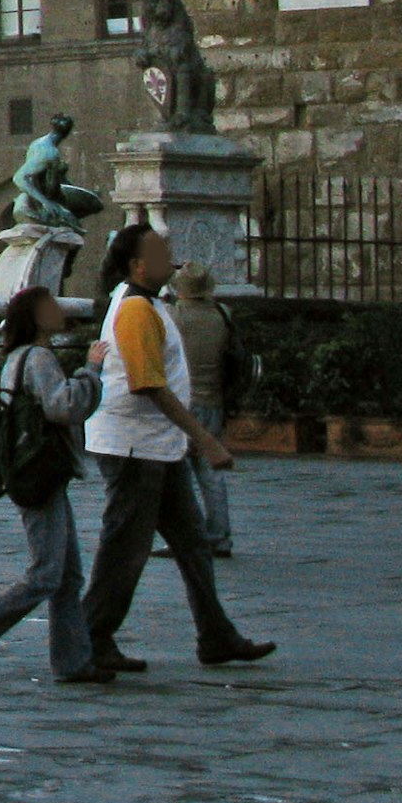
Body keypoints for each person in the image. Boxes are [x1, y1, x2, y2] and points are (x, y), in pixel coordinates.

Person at [78, 222, 273, 682]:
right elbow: (149, 384)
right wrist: (204, 439)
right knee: (124, 547)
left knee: (191, 543)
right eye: (161, 250)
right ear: (137, 264)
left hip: (155, 447)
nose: (172, 256)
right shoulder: (134, 310)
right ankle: (90, 636)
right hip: (133, 447)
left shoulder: (148, 305)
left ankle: (216, 635)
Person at [0, 283, 99, 683]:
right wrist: (91, 371)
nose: (59, 310)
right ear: (35, 316)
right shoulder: (40, 357)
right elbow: (63, 407)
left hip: (29, 468)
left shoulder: (15, 357)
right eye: (50, 306)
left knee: (67, 576)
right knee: (47, 574)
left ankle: (73, 662)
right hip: (42, 471)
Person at [167, 264, 240, 560]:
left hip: (183, 402)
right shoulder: (222, 314)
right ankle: (220, 535)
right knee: (211, 474)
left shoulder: (174, 316)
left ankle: (188, 538)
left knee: (179, 474)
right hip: (214, 400)